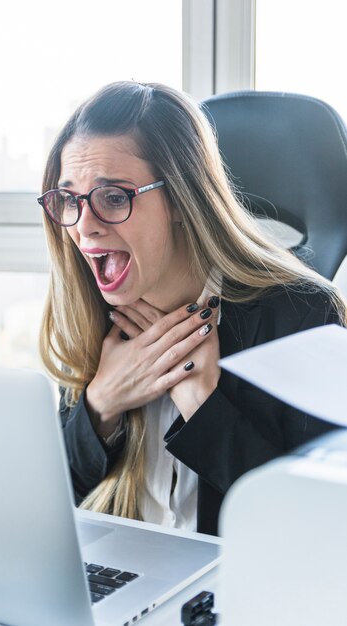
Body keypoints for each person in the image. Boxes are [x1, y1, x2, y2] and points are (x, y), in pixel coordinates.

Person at [38, 81, 347, 536]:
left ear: (182, 198)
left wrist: (201, 403)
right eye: (70, 199)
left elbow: (317, 529)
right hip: (121, 585)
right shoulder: (91, 312)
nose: (84, 227)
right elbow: (46, 501)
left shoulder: (301, 318)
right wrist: (101, 405)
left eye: (114, 197)